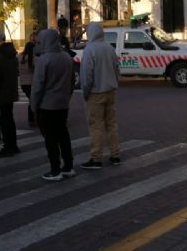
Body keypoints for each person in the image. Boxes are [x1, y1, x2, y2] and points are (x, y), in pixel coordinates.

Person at [31, 29, 76, 181]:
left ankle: (55, 169)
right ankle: (68, 166)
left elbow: (38, 86)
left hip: (47, 105)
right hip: (63, 104)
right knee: (63, 135)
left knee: (50, 138)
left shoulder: (44, 60)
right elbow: (72, 81)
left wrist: (34, 106)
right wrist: (67, 96)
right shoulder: (66, 57)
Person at [79, 22, 121, 170]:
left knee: (96, 126)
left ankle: (96, 158)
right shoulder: (110, 48)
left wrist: (85, 92)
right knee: (111, 124)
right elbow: (117, 70)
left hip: (95, 93)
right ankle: (115, 154)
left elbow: (86, 75)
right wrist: (114, 84)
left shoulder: (89, 49)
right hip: (110, 91)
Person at [20, 31, 38, 126]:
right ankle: (33, 118)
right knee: (33, 101)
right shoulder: (34, 59)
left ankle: (31, 119)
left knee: (31, 100)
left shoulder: (20, 58)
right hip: (32, 83)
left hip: (23, 83)